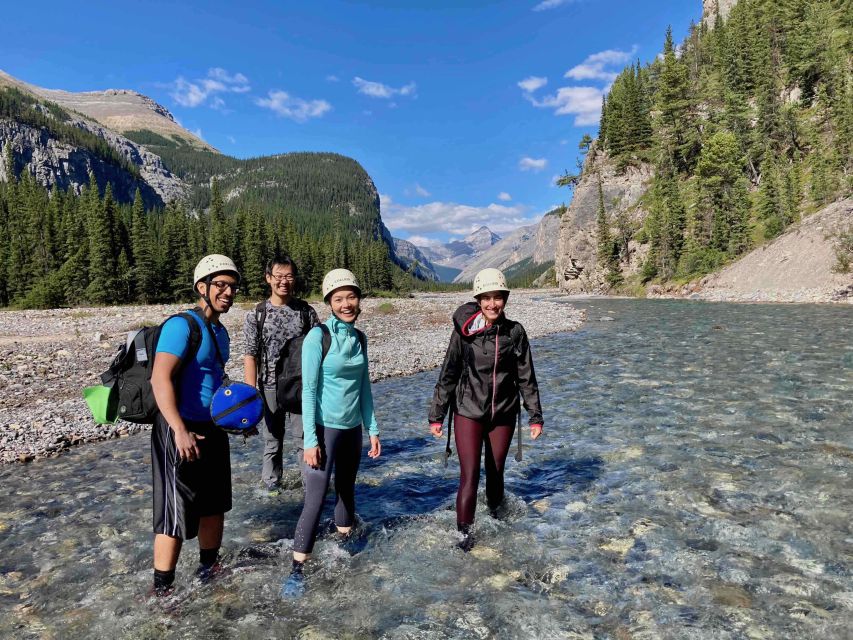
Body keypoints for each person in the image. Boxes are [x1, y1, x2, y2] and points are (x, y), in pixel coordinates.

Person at [281, 268, 381, 597]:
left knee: (347, 491)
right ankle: (297, 569)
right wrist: (310, 440)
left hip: (352, 430)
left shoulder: (360, 338)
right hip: (324, 430)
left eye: (351, 297)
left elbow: (364, 386)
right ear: (329, 303)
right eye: (339, 299)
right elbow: (308, 392)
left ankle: (343, 549)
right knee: (314, 499)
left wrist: (373, 429)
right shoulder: (318, 337)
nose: (346, 304)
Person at [428, 268, 543, 551]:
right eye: (487, 298)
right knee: (470, 476)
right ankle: (464, 538)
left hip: (503, 414)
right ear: (478, 300)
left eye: (498, 297)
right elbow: (449, 371)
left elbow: (526, 375)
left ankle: (495, 522)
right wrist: (437, 413)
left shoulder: (515, 332)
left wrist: (535, 415)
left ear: (505, 298)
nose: (493, 304)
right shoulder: (465, 333)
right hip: (467, 411)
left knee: (496, 472)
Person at [148, 254, 240, 596]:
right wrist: (179, 429)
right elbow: (160, 379)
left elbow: (213, 384)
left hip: (213, 428)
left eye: (232, 286)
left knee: (215, 505)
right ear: (202, 287)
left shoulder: (220, 332)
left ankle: (209, 568)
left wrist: (235, 419)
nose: (228, 292)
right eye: (220, 285)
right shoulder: (180, 326)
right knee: (174, 514)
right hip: (178, 429)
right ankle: (162, 591)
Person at [243, 255, 319, 492]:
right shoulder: (256, 314)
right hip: (268, 388)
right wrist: (249, 395)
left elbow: (319, 349)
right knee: (272, 443)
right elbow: (250, 355)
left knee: (304, 440)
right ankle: (270, 489)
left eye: (289, 276)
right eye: (279, 276)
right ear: (268, 279)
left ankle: (311, 489)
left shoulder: (306, 312)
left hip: (300, 387)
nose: (284, 281)